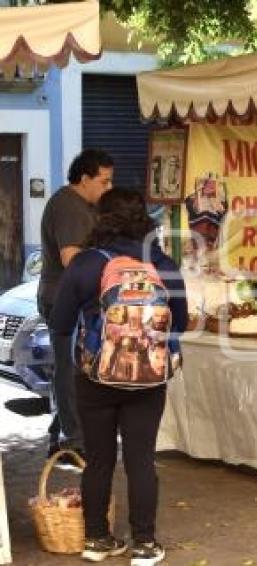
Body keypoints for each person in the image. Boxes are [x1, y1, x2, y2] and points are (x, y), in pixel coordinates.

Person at [50, 189, 188, 565]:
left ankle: (97, 540)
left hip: (95, 375)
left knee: (99, 460)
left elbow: (60, 323)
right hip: (148, 377)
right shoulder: (162, 263)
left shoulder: (86, 262)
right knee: (141, 459)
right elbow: (183, 321)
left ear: (102, 219)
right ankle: (144, 544)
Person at [37, 149, 114, 460]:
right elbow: (72, 259)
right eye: (104, 182)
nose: (108, 189)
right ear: (84, 179)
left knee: (73, 367)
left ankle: (62, 434)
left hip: (72, 299)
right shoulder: (69, 207)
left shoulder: (82, 204)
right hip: (64, 301)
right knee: (70, 370)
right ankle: (74, 438)